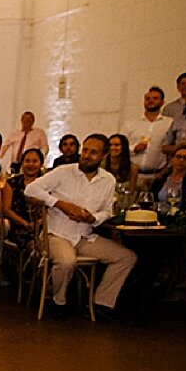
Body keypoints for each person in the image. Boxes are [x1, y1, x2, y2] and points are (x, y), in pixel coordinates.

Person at [25, 133, 137, 320]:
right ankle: (57, 301)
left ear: (103, 155)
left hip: (84, 235)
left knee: (126, 257)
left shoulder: (108, 179)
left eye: (93, 152)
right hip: (56, 234)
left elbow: (108, 210)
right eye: (85, 150)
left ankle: (101, 303)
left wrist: (92, 218)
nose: (86, 155)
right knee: (68, 261)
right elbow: (31, 189)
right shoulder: (63, 172)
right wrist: (59, 203)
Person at [1, 148, 46, 250]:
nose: (31, 164)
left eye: (35, 161)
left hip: (43, 227)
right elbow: (6, 209)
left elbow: (50, 209)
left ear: (41, 164)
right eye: (27, 161)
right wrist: (25, 224)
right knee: (36, 247)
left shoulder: (47, 183)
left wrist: (39, 223)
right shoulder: (11, 183)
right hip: (19, 227)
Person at [127, 86, 172, 175]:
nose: (151, 101)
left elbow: (171, 147)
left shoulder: (169, 123)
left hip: (158, 174)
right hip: (132, 173)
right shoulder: (130, 123)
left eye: (155, 98)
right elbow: (120, 147)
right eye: (147, 98)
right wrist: (134, 149)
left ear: (162, 102)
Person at [151, 144, 186, 213]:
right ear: (172, 159)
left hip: (182, 217)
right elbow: (152, 199)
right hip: (158, 215)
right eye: (178, 156)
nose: (181, 160)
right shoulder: (161, 179)